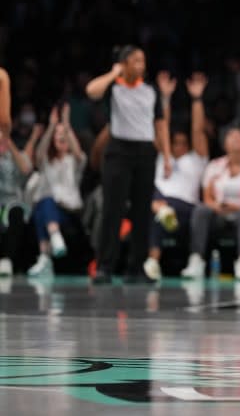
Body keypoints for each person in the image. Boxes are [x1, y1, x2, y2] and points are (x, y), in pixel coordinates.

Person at [85, 47, 172, 284]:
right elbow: (92, 91)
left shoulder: (150, 89)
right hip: (119, 151)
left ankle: (136, 267)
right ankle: (105, 266)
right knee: (113, 210)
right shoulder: (114, 87)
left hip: (145, 151)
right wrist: (114, 73)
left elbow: (160, 124)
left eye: (142, 61)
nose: (140, 65)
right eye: (135, 61)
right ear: (124, 63)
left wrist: (166, 155)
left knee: (142, 211)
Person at [144, 71, 210, 281]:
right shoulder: (163, 158)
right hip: (157, 202)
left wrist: (197, 98)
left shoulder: (196, 159)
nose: (178, 146)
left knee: (160, 206)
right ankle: (153, 262)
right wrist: (165, 97)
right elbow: (162, 126)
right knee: (153, 205)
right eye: (175, 142)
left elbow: (198, 129)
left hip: (185, 207)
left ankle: (154, 258)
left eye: (183, 142)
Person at [182, 128, 240, 279]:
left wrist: (237, 208)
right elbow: (207, 197)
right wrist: (216, 206)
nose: (236, 139)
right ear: (224, 144)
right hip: (218, 214)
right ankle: (196, 260)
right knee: (201, 210)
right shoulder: (215, 165)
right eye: (231, 136)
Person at [28, 105, 87, 277]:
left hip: (70, 212)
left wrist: (66, 124)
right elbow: (39, 154)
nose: (61, 137)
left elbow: (77, 151)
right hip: (51, 210)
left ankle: (45, 256)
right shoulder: (47, 161)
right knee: (42, 204)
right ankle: (52, 242)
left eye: (64, 135)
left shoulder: (75, 162)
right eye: (58, 135)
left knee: (43, 205)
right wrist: (51, 126)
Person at [0, 123, 41, 276]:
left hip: (13, 202)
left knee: (16, 213)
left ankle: (6, 260)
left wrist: (9, 143)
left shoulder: (14, 156)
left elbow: (25, 168)